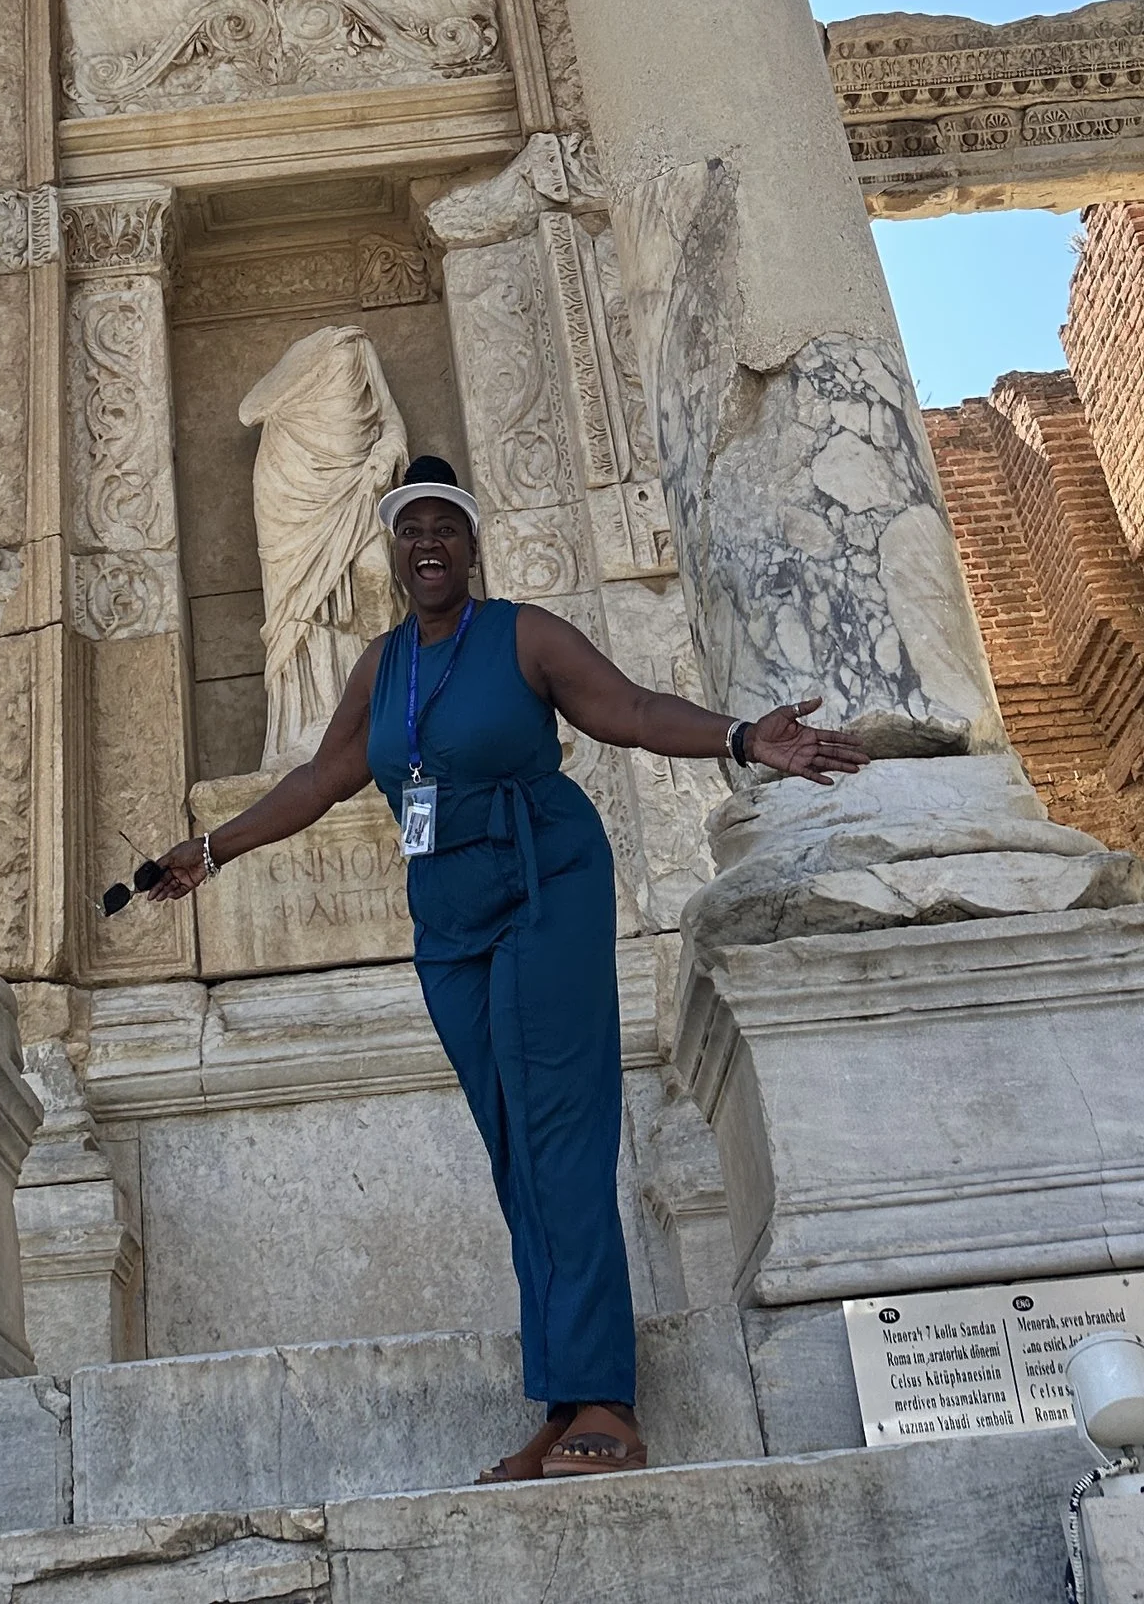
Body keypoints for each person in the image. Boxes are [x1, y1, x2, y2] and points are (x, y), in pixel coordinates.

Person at [145, 452, 869, 1481]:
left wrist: (746, 738)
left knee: (560, 1135)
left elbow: (628, 712)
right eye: (409, 531)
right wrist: (212, 848)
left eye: (444, 528)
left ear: (472, 545)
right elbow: (320, 778)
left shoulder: (524, 635)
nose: (426, 545)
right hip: (448, 922)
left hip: (543, 888)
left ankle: (608, 1407)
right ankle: (564, 1397)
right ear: (392, 552)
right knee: (514, 1153)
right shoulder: (381, 666)